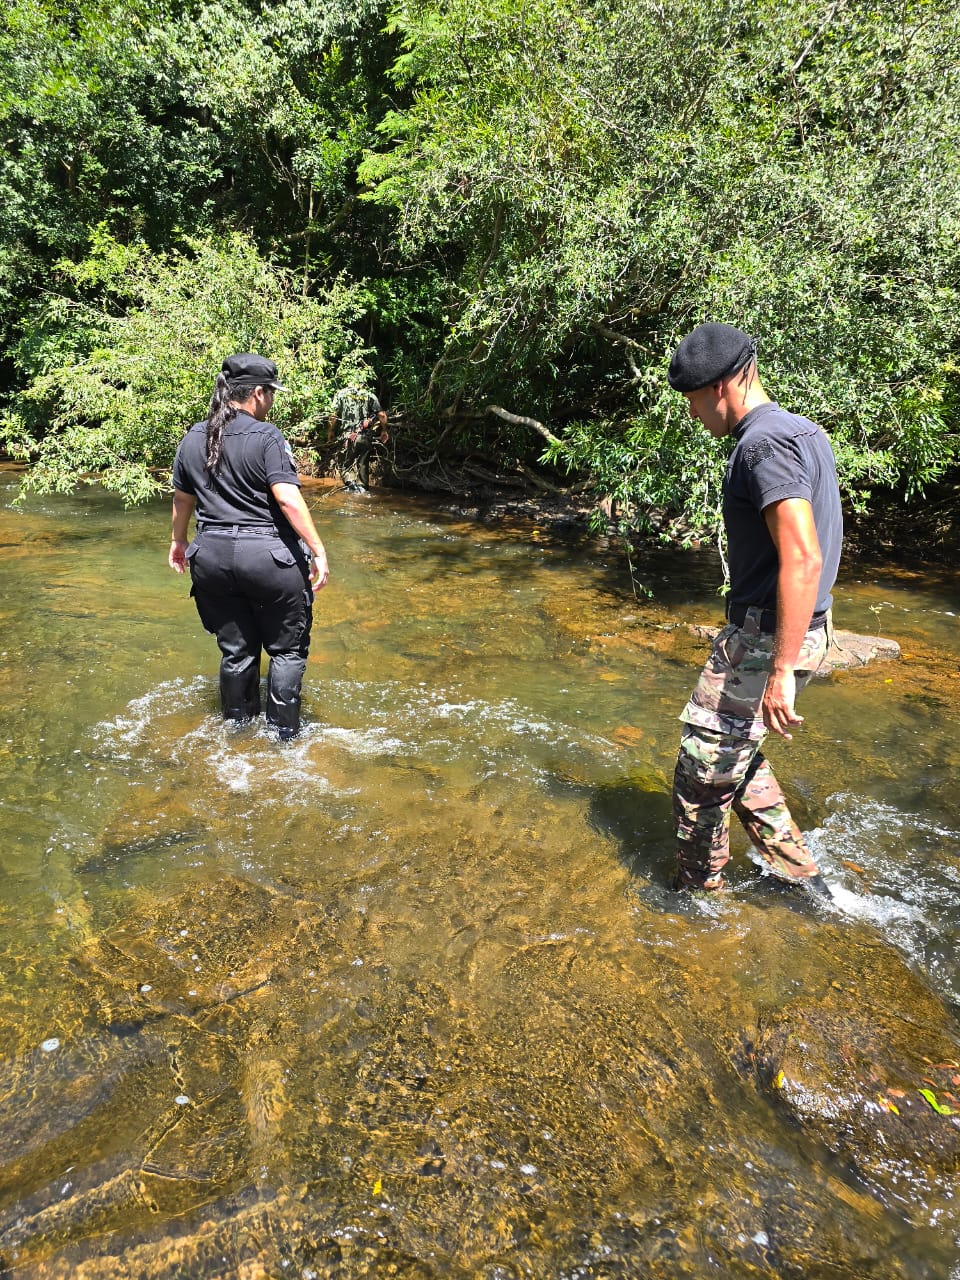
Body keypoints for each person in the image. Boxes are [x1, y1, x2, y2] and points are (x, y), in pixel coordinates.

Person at [666, 323, 843, 897]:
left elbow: (803, 556)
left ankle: (699, 899)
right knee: (734, 761)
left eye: (693, 400)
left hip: (765, 641)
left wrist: (781, 671)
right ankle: (799, 877)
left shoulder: (760, 445)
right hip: (794, 630)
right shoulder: (804, 431)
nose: (693, 414)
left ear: (720, 387)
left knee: (699, 778)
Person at [169, 353, 330, 741]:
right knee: (286, 652)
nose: (272, 401)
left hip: (211, 557)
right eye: (271, 393)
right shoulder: (267, 436)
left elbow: (182, 500)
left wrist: (178, 541)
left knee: (237, 652)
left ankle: (237, 734)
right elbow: (288, 499)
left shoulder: (194, 437)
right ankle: (284, 739)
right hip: (268, 558)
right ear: (258, 393)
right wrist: (318, 550)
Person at [327, 385, 389, 492]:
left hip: (349, 437)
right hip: (365, 437)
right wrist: (384, 430)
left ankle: (352, 486)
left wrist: (330, 431)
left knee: (344, 466)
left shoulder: (341, 394)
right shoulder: (369, 395)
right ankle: (362, 490)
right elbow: (382, 415)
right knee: (363, 465)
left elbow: (333, 415)